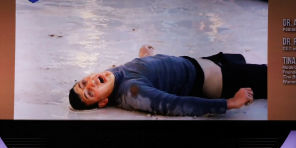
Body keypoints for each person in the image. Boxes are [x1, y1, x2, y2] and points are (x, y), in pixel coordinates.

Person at [68, 45, 267, 117]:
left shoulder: (111, 75)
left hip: (203, 62)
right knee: (276, 77)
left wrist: (146, 58)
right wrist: (229, 103)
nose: (91, 84)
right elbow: (175, 105)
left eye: (83, 83)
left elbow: (136, 71)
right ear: (103, 102)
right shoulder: (133, 91)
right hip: (219, 79)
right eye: (89, 93)